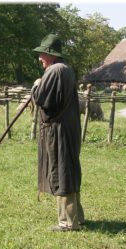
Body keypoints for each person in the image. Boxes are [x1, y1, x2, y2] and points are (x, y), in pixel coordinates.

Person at [31, 34, 85, 232]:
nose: (39, 58)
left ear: (51, 54)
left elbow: (41, 98)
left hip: (59, 131)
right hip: (68, 128)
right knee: (68, 169)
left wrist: (36, 84)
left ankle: (68, 222)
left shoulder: (54, 71)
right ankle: (77, 217)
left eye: (42, 54)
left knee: (61, 170)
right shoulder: (67, 70)